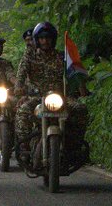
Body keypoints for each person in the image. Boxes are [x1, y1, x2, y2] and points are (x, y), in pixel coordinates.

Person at [13, 21, 87, 161]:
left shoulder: (62, 56)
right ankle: (25, 147)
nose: (45, 41)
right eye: (41, 38)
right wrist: (18, 87)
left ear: (53, 39)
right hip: (37, 97)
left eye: (48, 38)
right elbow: (21, 75)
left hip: (60, 97)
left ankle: (75, 145)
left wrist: (81, 88)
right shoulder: (30, 56)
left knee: (81, 108)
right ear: (37, 40)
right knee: (22, 112)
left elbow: (75, 74)